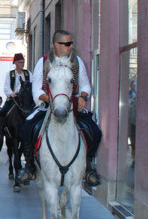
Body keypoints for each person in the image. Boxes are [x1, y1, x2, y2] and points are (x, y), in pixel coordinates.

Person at [20, 29, 102, 186]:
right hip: (48, 106)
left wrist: (83, 96)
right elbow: (37, 90)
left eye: (71, 43)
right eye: (66, 43)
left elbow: (85, 84)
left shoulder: (76, 61)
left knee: (95, 131)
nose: (70, 46)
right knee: (26, 129)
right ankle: (29, 166)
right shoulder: (43, 62)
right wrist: (52, 101)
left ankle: (89, 167)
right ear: (56, 44)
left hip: (72, 107)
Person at [0, 53, 32, 139]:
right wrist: (12, 94)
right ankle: (0, 131)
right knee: (2, 112)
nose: (22, 64)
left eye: (23, 62)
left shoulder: (28, 73)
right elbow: (6, 87)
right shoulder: (10, 74)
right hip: (13, 98)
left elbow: (32, 85)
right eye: (20, 62)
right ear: (15, 63)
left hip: (25, 99)